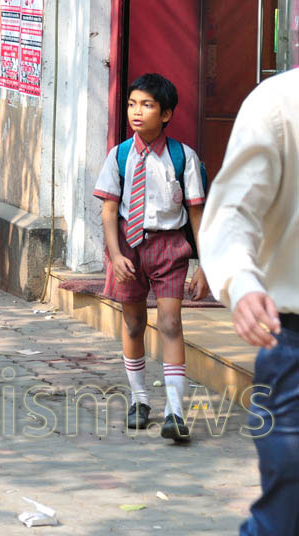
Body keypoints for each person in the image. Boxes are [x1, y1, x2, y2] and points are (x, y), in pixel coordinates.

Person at [199, 71, 299, 534]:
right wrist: (240, 282)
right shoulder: (279, 103)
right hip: (293, 345)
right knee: (287, 512)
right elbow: (234, 210)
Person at [93, 73, 208, 442]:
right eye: (132, 104)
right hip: (127, 247)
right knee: (132, 324)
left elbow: (196, 214)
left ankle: (175, 411)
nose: (136, 112)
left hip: (169, 247)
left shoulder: (183, 157)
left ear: (167, 114)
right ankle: (139, 399)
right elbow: (110, 211)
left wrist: (204, 264)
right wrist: (114, 253)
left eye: (147, 105)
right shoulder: (119, 155)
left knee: (171, 323)